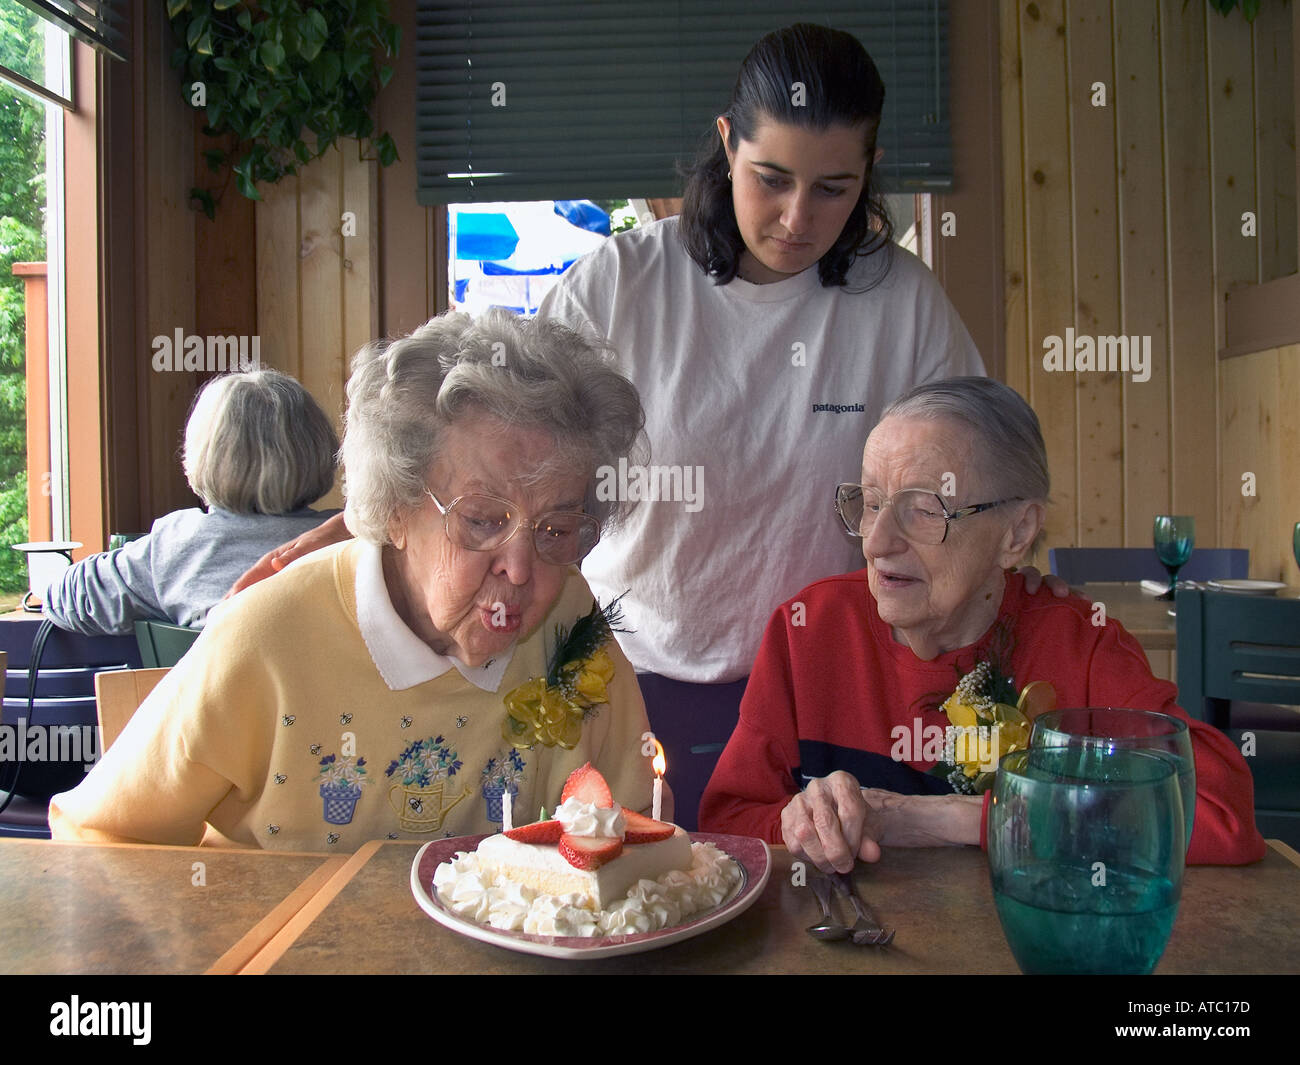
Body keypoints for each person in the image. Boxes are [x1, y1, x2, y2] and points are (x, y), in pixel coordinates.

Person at [230, 24, 1063, 827]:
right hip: (630, 673)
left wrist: (1031, 593)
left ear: (870, 172)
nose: (797, 217)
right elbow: (470, 427)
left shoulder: (904, 304)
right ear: (727, 142)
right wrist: (355, 526)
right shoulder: (622, 283)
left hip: (824, 691)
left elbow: (980, 474)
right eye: (770, 177)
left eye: (833, 188)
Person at [48, 311, 660, 852]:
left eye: (555, 529)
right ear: (394, 507)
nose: (522, 570)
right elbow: (100, 842)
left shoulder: (569, 620)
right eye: (481, 520)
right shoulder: (266, 636)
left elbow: (631, 827)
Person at [697, 377, 1266, 867]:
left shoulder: (1077, 645)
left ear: (1016, 533)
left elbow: (1221, 818)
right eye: (870, 502)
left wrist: (955, 819)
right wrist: (800, 826)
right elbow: (729, 820)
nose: (876, 542)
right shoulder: (808, 630)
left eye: (924, 510)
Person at [42, 369, 339, 636]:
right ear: (319, 448)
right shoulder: (354, 540)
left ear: (204, 456)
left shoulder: (176, 544)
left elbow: (68, 598)